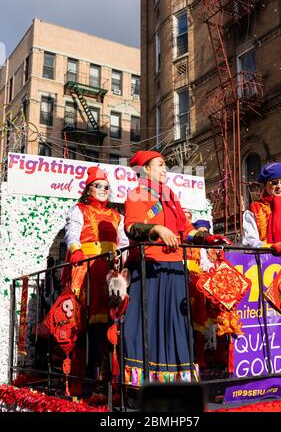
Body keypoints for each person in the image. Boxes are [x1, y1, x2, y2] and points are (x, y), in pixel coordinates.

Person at [123, 150, 231, 387]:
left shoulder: (170, 196)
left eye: (165, 166)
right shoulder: (136, 194)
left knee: (175, 324)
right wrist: (156, 230)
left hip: (174, 267)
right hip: (149, 268)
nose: (165, 170)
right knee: (149, 324)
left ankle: (175, 381)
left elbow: (186, 229)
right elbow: (130, 228)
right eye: (160, 165)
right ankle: (142, 381)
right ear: (145, 169)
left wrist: (207, 239)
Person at [63, 166, 128, 395]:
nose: (103, 190)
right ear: (88, 188)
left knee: (109, 325)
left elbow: (123, 242)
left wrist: (122, 257)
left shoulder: (116, 216)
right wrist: (75, 250)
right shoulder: (79, 209)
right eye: (98, 186)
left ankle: (108, 379)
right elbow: (72, 233)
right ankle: (81, 380)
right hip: (88, 269)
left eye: (106, 187)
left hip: (109, 272)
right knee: (82, 324)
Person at [242, 162, 281, 253]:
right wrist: (271, 247)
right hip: (266, 262)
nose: (279, 186)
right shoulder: (254, 209)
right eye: (274, 182)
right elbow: (249, 241)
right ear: (265, 184)